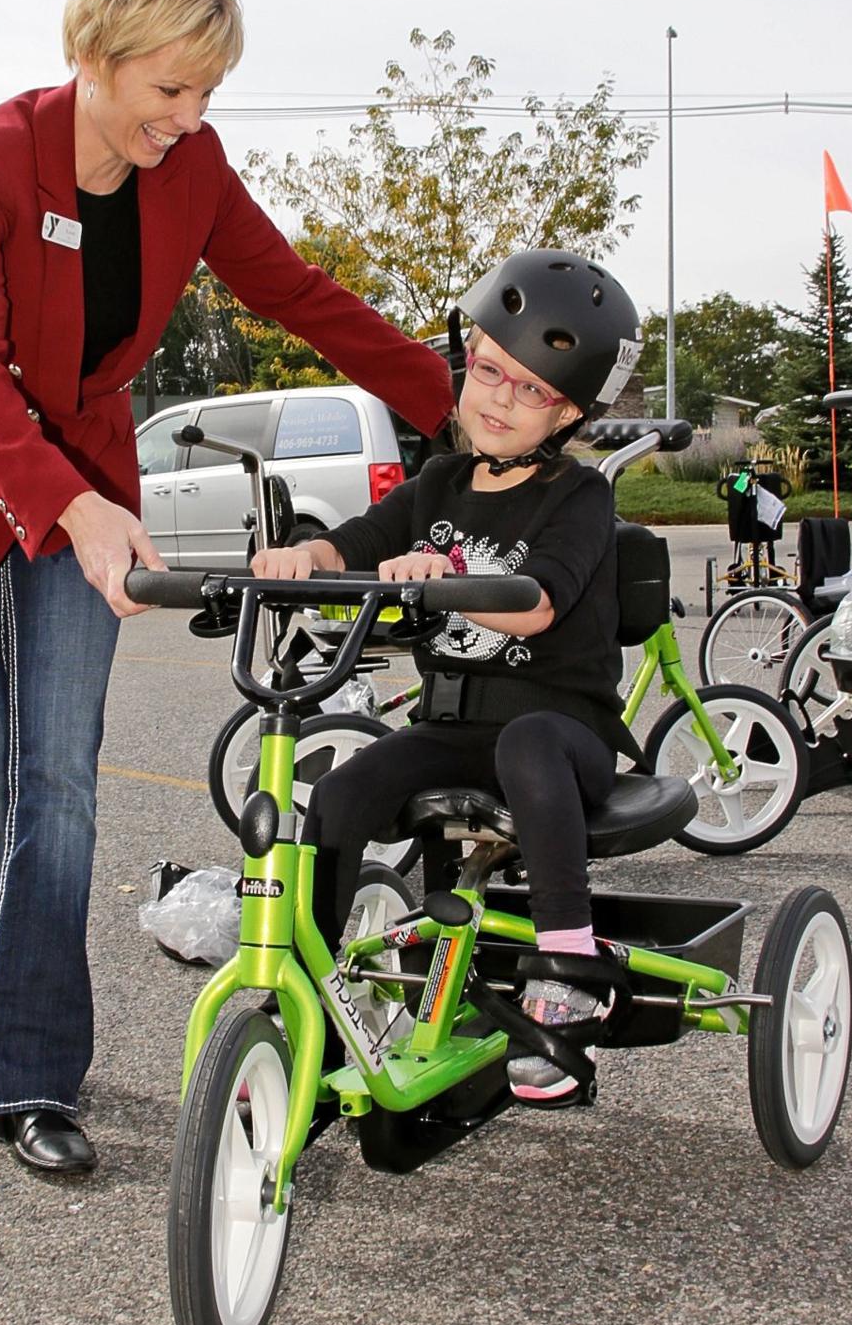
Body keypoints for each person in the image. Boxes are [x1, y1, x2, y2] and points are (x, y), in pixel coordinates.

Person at [0, 0, 452, 1176]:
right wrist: (66, 509)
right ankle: (11, 1026)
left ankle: (30, 1076)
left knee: (57, 784)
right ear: (94, 53)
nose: (185, 116)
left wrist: (459, 402)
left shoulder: (192, 170)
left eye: (206, 92)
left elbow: (297, 293)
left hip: (83, 488)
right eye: (166, 87)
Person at [251, 249, 642, 1102]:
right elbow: (355, 541)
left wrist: (441, 576)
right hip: (453, 731)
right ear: (467, 365)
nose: (501, 398)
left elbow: (540, 599)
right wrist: (300, 558)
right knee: (342, 795)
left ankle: (568, 967)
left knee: (531, 745)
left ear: (568, 411)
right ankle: (302, 1012)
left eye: (532, 389)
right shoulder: (439, 481)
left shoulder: (580, 499)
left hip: (561, 735)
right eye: (493, 372)